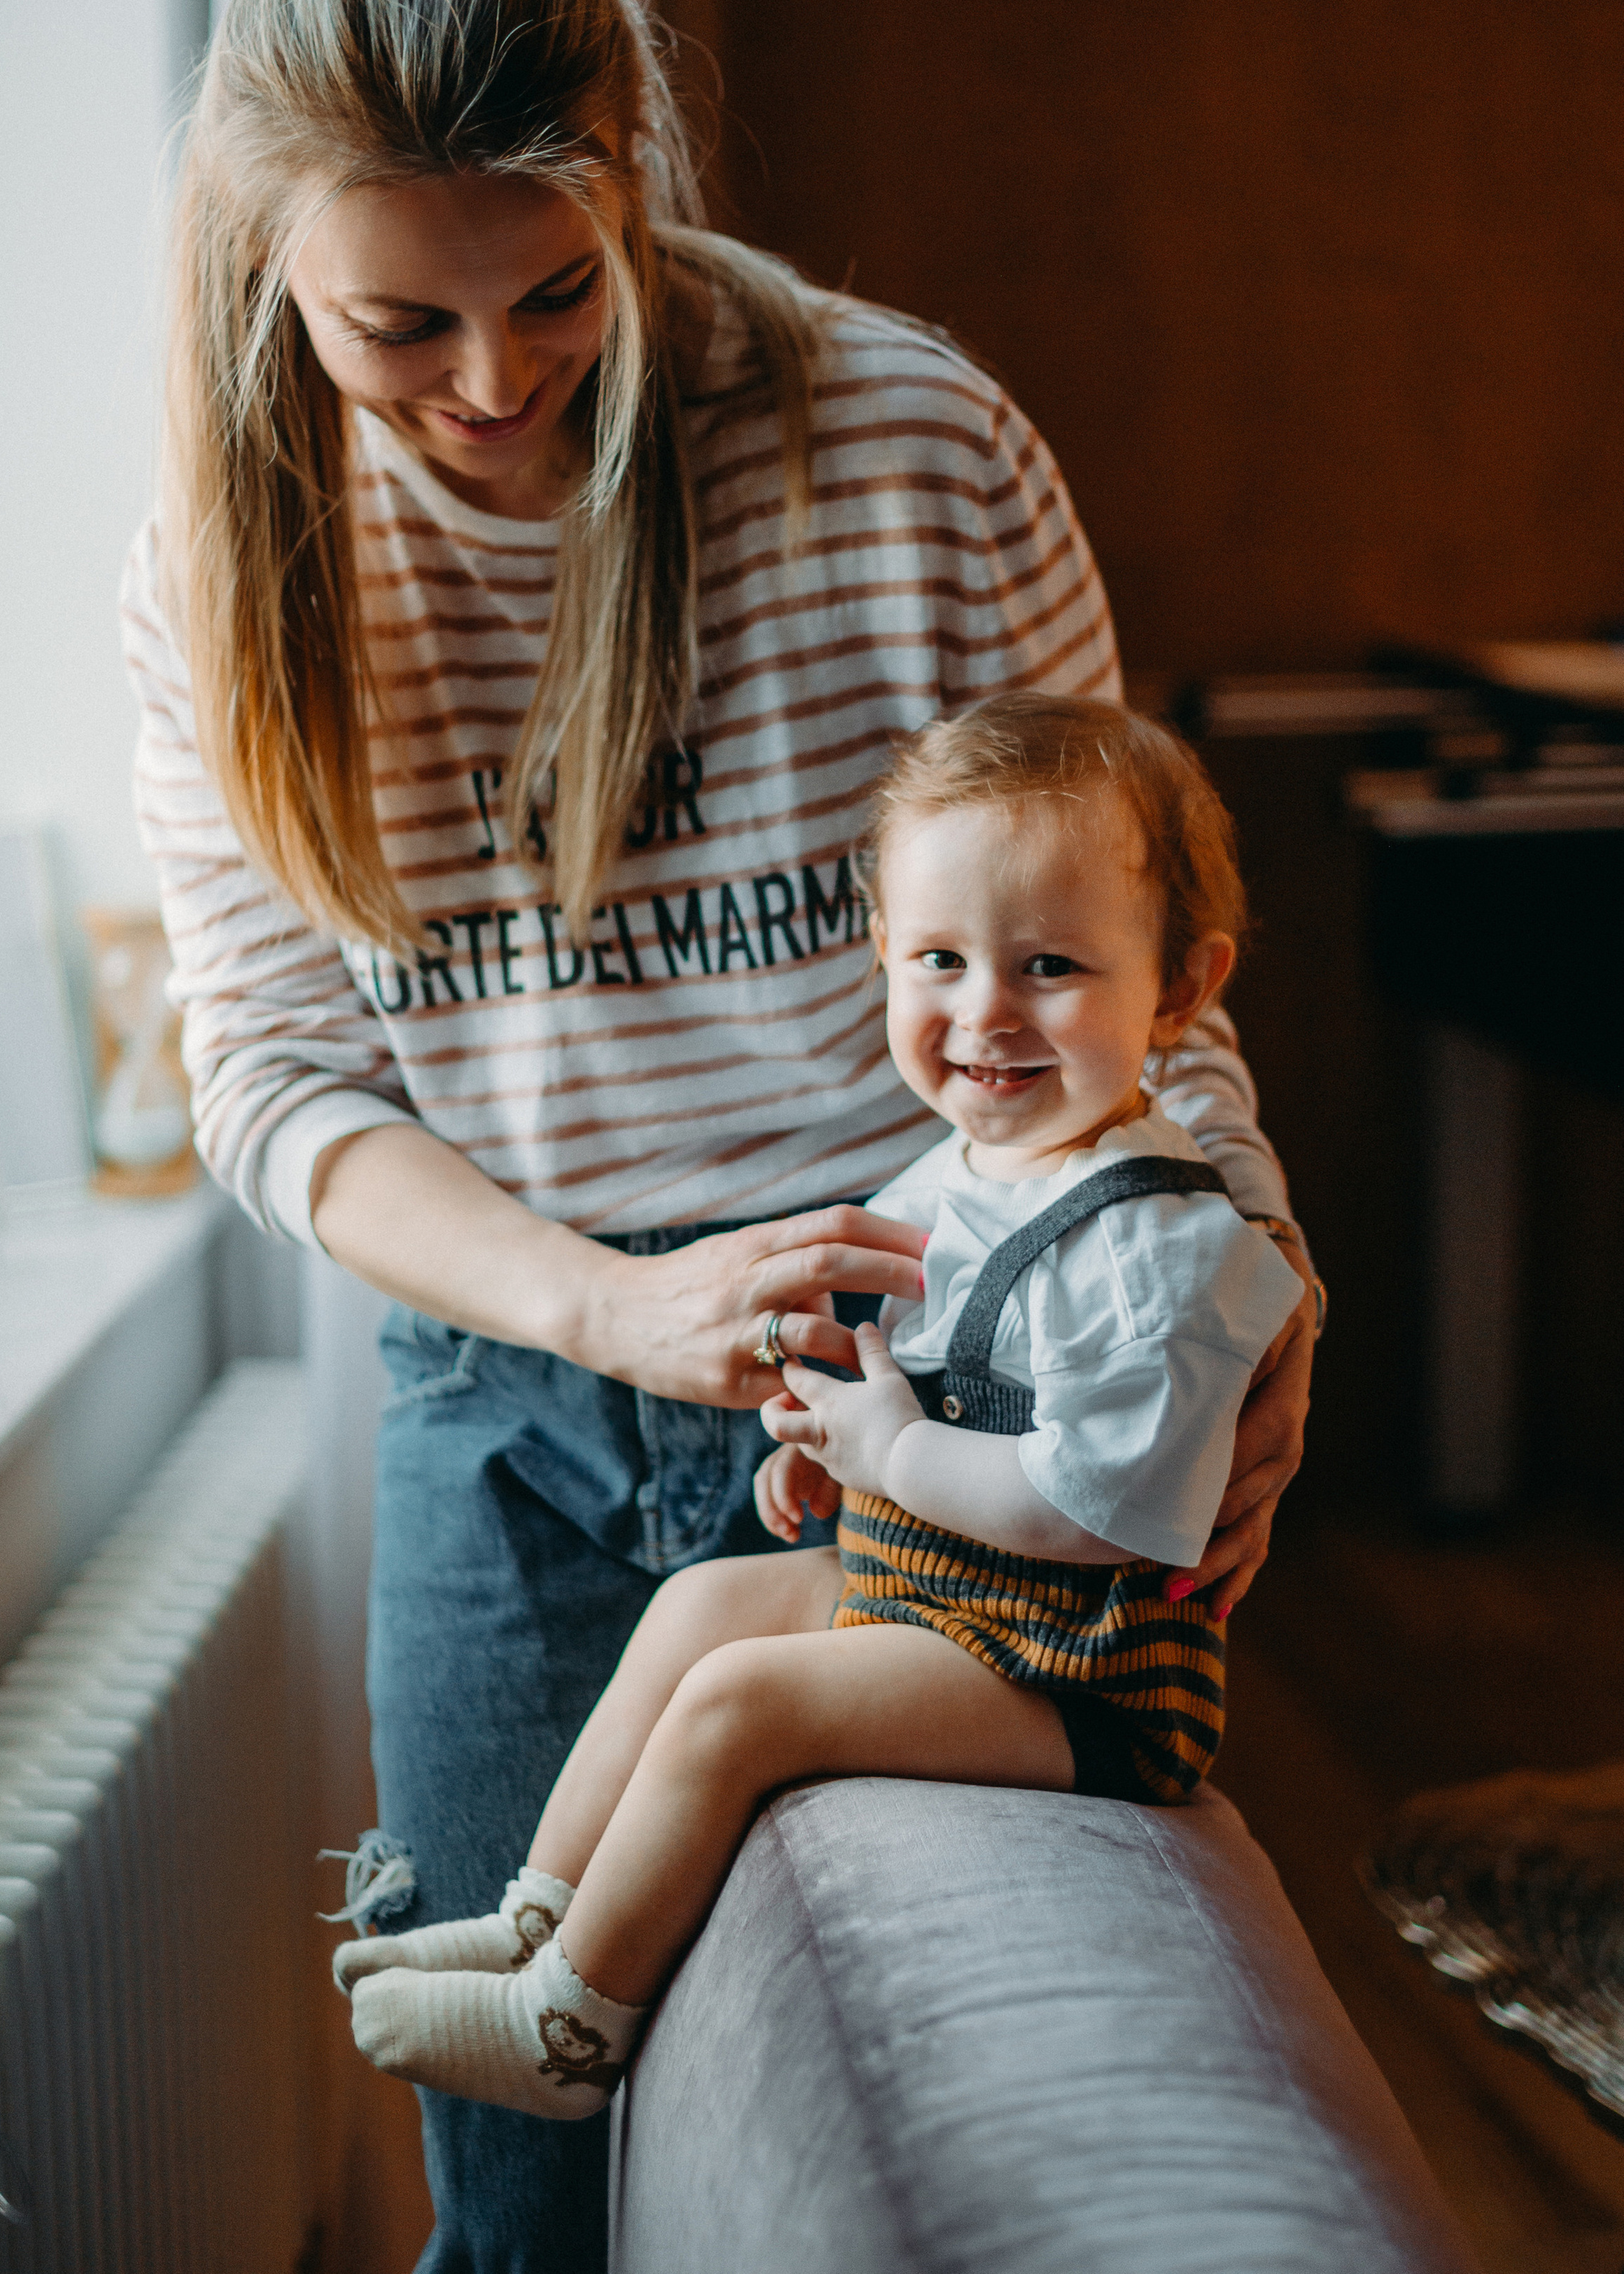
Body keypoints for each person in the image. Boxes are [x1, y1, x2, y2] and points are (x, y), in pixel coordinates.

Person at [123, 0, 1320, 2273]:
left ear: (639, 177)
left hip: (943, 1355)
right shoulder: (223, 568)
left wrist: (1251, 1252)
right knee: (518, 2194)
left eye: (557, 291)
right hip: (512, 1406)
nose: (492, 385)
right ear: (267, 276)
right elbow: (274, 1082)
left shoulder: (910, 444)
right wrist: (614, 1304)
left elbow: (1128, 938)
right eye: (396, 331)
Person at [328, 692, 1307, 2115]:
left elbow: (1097, 1519)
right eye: (938, 959)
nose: (983, 1014)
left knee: (740, 1702)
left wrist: (891, 1452)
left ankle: (568, 2027)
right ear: (880, 957)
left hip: (1080, 1678)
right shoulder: (961, 1174)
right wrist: (827, 1448)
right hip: (956, 1603)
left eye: (1047, 966)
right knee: (699, 1610)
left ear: (1177, 987)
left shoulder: (1168, 1249)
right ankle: (544, 1908)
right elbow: (895, 1385)